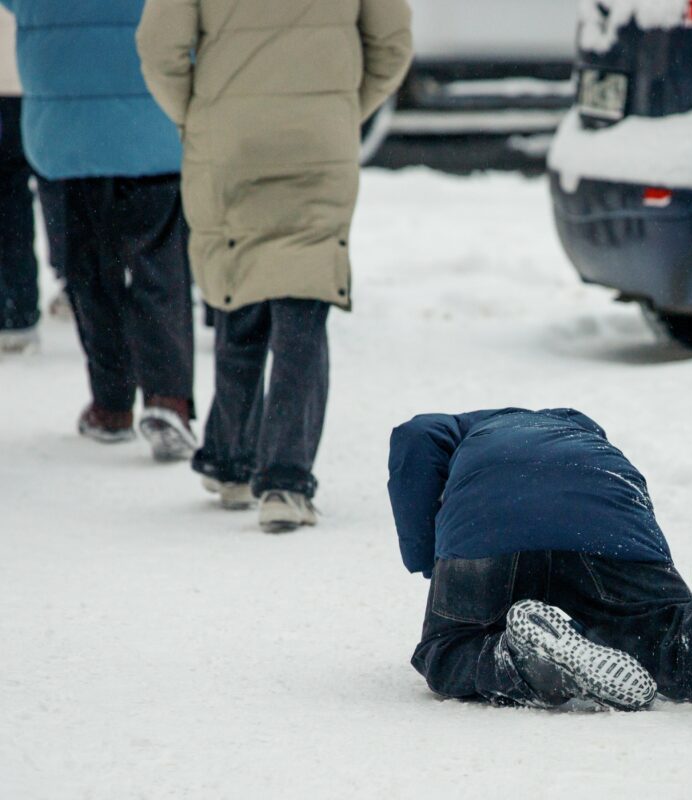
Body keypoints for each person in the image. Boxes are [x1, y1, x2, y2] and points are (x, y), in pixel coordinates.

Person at [138, 0, 414, 531]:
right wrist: (343, 108)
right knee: (304, 297)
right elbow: (392, 44)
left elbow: (158, 46)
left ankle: (231, 461)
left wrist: (196, 112)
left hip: (229, 132)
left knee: (239, 281)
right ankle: (285, 483)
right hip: (319, 133)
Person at [387, 408, 692, 710]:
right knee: (676, 653)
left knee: (449, 652)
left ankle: (528, 662)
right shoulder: (576, 427)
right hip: (605, 513)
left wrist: (431, 562)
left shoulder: (457, 428)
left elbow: (415, 438)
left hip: (488, 521)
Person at [1, 0, 197, 460]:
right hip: (151, 116)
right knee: (159, 264)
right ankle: (168, 399)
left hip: (64, 125)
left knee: (87, 268)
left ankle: (111, 406)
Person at [0, 6, 36, 354]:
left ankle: (15, 310)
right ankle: (19, 311)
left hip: (19, 82)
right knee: (15, 197)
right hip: (25, 80)